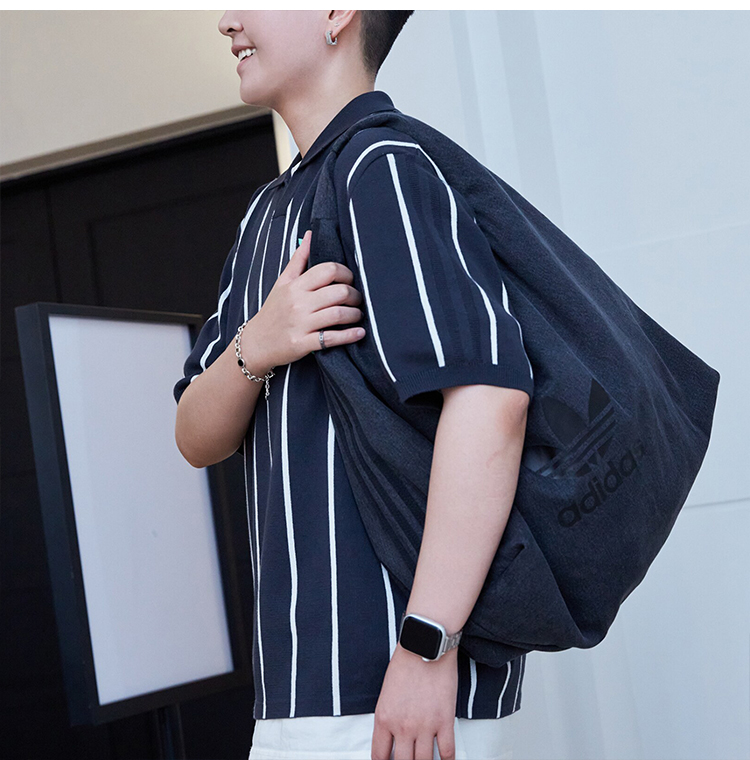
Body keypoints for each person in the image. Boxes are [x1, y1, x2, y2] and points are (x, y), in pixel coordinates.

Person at [174, 10, 531, 760]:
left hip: (391, 695)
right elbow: (195, 435)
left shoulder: (384, 166)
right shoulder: (268, 214)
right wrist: (258, 343)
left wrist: (426, 648)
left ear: (338, 12)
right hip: (300, 693)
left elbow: (491, 400)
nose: (226, 20)